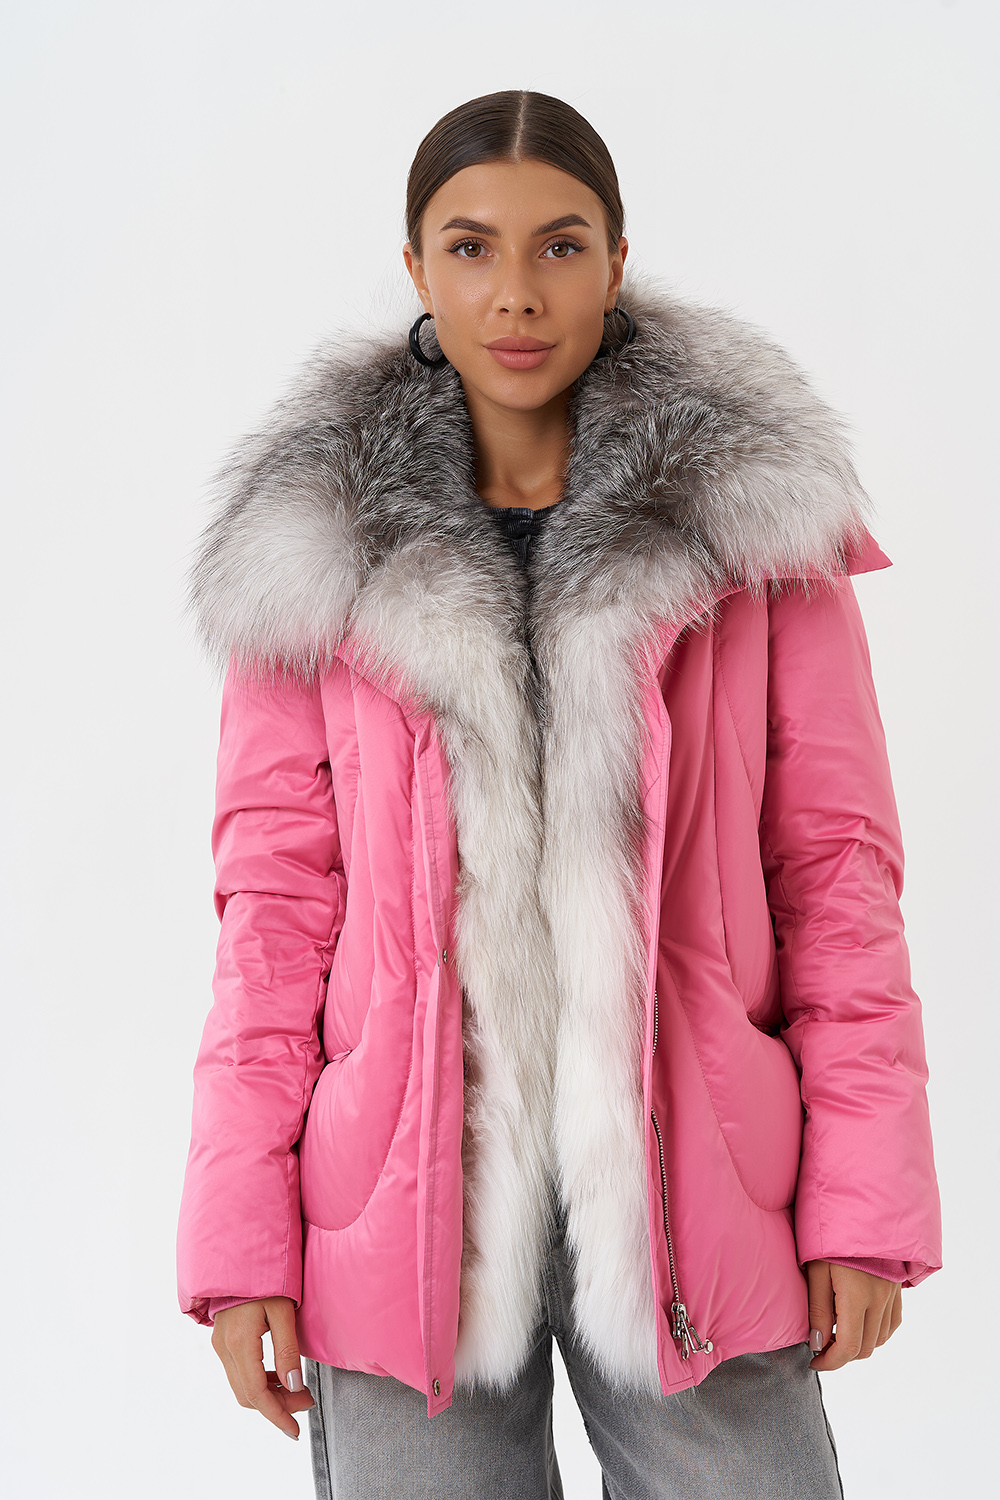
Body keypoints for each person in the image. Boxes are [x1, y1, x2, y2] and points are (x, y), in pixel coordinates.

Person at [176, 89, 942, 1498]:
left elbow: (838, 877)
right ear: (416, 268)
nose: (516, 293)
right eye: (471, 248)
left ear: (617, 258)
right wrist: (240, 1244)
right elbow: (272, 919)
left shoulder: (750, 531)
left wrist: (862, 1205)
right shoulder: (315, 549)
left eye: (561, 245)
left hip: (694, 1187)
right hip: (400, 1208)